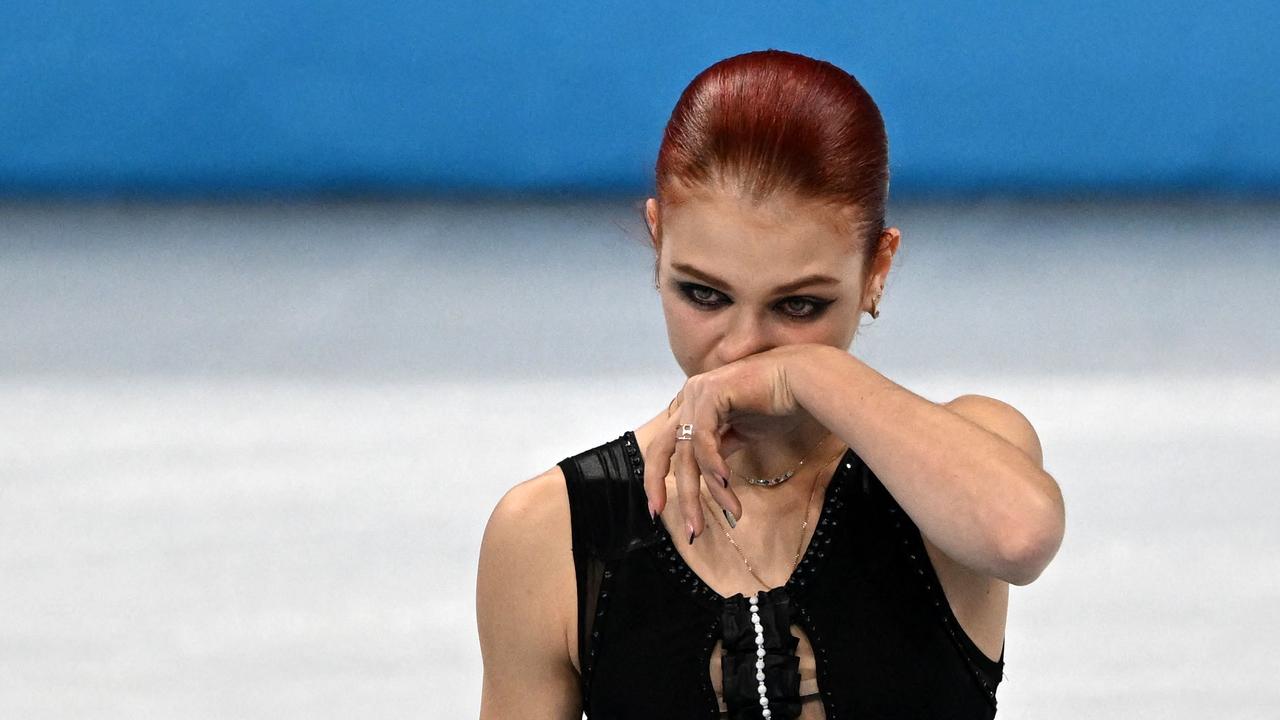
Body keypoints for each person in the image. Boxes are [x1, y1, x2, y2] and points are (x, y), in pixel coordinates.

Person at [476, 49, 1065, 719]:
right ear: (656, 242)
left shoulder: (967, 458)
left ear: (877, 270)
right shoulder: (553, 535)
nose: (742, 350)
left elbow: (1020, 536)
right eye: (703, 294)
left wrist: (805, 374)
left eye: (798, 306)